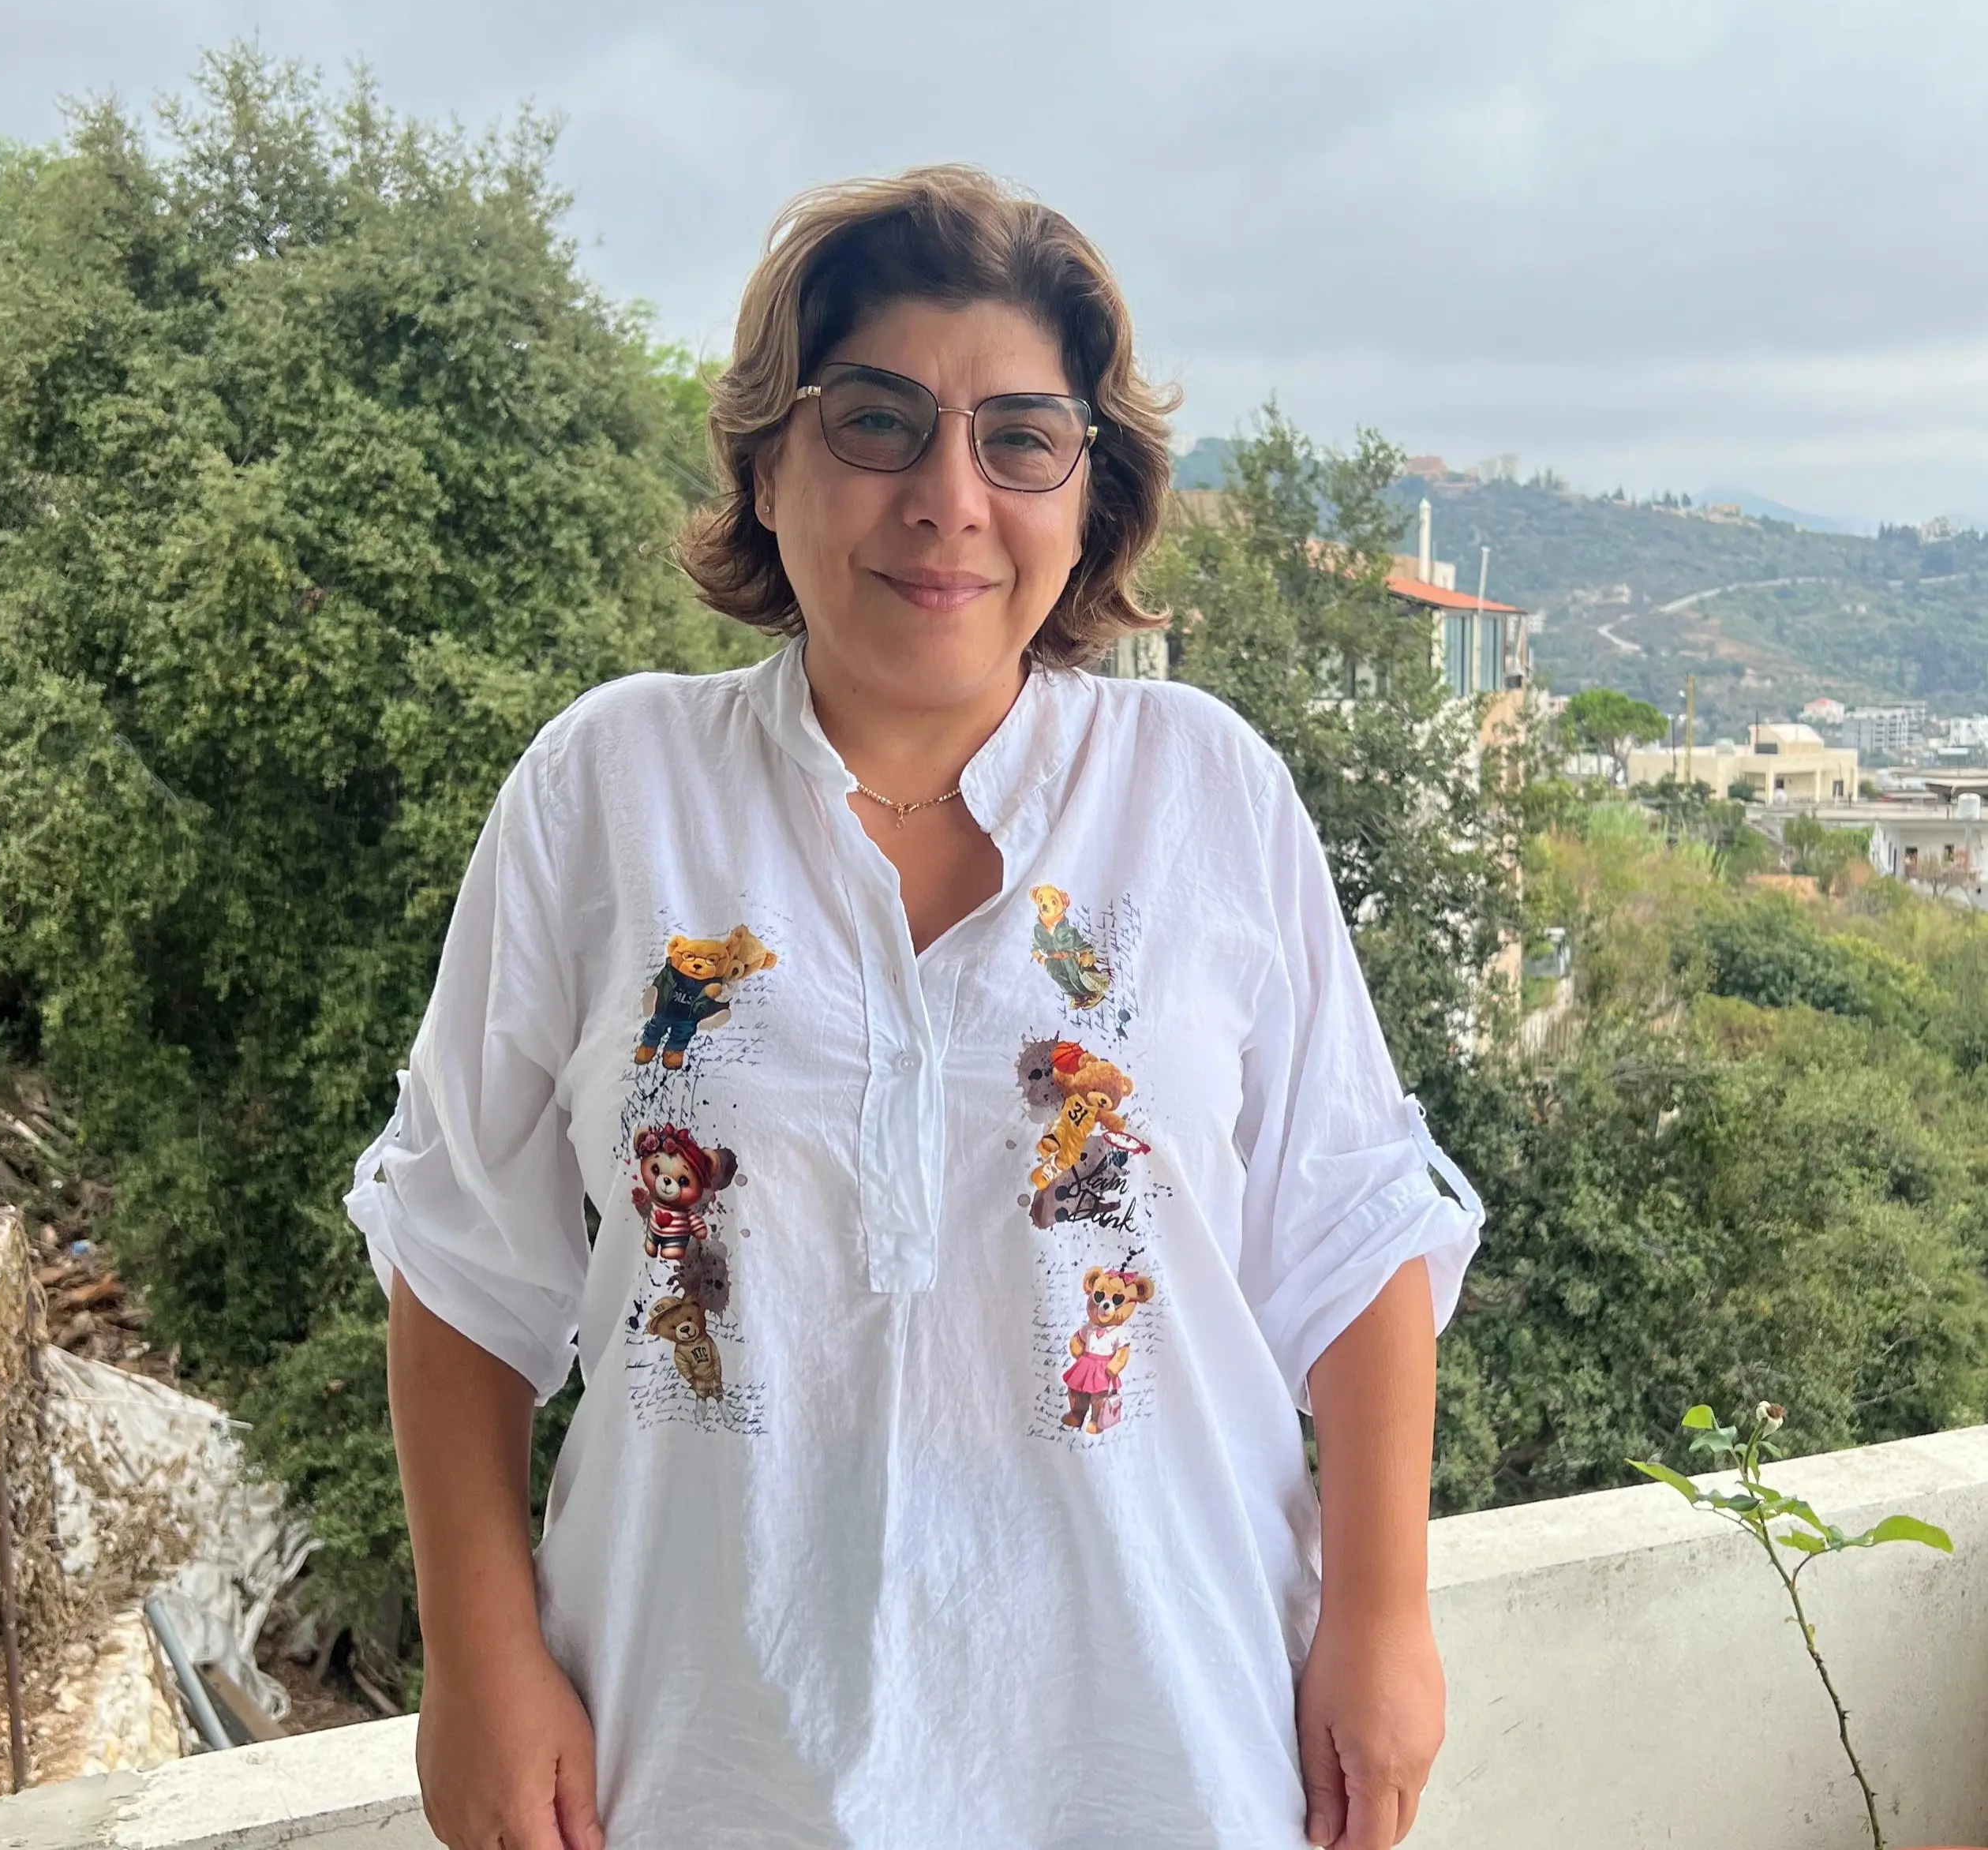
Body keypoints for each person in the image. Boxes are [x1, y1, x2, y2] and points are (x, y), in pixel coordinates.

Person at [346, 165, 1484, 1850]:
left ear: (1085, 496)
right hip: (703, 1761)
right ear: (768, 462)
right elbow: (459, 1261)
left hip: (1163, 1756)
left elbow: (1350, 1228)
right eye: (876, 422)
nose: (948, 498)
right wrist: (479, 1654)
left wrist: (1381, 1618)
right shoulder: (613, 791)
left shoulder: (1201, 792)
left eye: (1020, 438)